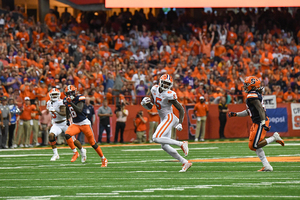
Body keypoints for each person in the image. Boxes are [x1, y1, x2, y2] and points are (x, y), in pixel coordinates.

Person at [228, 76, 285, 172]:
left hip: (260, 122)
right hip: (257, 122)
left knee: (254, 145)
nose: (245, 87)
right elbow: (249, 111)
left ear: (252, 86)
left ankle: (274, 137)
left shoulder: (252, 95)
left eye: (247, 85)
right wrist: (236, 114)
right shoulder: (253, 95)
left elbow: (260, 109)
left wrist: (263, 123)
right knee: (252, 146)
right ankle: (267, 166)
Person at [141, 74, 191, 172]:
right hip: (164, 118)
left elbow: (181, 109)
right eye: (165, 83)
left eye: (168, 84)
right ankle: (185, 162)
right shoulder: (154, 89)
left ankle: (181, 143)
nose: (166, 86)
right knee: (164, 146)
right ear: (160, 82)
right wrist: (146, 104)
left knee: (155, 138)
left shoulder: (169, 94)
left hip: (169, 117)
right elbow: (151, 105)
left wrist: (180, 122)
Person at [63, 85, 107, 167]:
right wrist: (67, 119)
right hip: (76, 124)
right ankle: (75, 152)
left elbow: (79, 110)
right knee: (67, 135)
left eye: (71, 93)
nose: (70, 95)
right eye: (68, 93)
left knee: (93, 143)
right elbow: (67, 108)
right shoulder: (66, 100)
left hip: (84, 123)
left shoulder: (80, 98)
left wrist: (71, 102)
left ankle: (103, 158)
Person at [47, 88, 86, 162]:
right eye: (53, 95)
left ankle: (81, 150)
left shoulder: (61, 102)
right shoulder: (48, 103)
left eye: (56, 94)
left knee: (73, 140)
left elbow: (64, 114)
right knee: (51, 136)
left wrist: (55, 111)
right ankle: (56, 154)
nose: (54, 96)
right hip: (56, 124)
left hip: (64, 122)